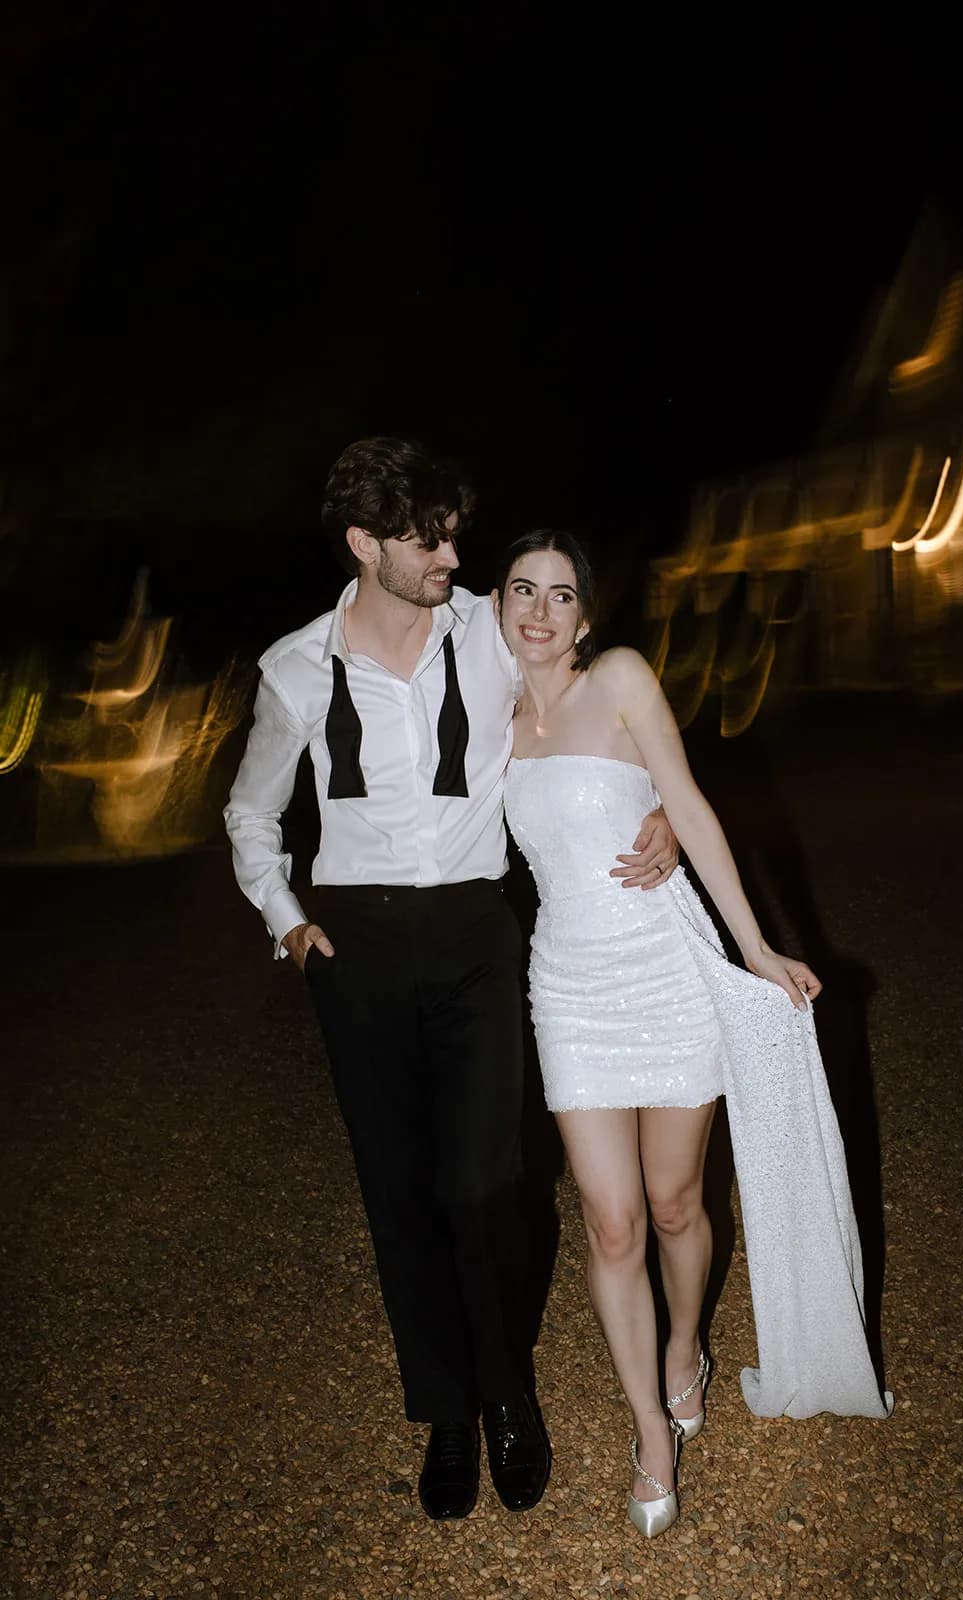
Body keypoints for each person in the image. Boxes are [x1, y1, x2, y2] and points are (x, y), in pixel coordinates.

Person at [223, 440, 679, 1521]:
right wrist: (287, 921)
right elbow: (248, 812)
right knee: (400, 1194)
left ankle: (509, 1388)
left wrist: (653, 800)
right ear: (365, 543)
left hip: (477, 931)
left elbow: (591, 698)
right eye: (429, 537)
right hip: (356, 946)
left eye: (453, 534)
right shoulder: (294, 668)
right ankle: (447, 1413)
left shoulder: (487, 625)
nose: (453, 554)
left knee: (486, 1183)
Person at [495, 530, 892, 1539]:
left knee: (675, 1203)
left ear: (586, 616)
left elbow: (693, 805)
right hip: (569, 990)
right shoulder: (484, 714)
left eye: (560, 594)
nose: (539, 610)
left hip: (665, 971)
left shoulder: (620, 676)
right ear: (499, 605)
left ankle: (686, 1347)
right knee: (612, 1220)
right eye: (521, 591)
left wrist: (755, 947)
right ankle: (649, 1431)